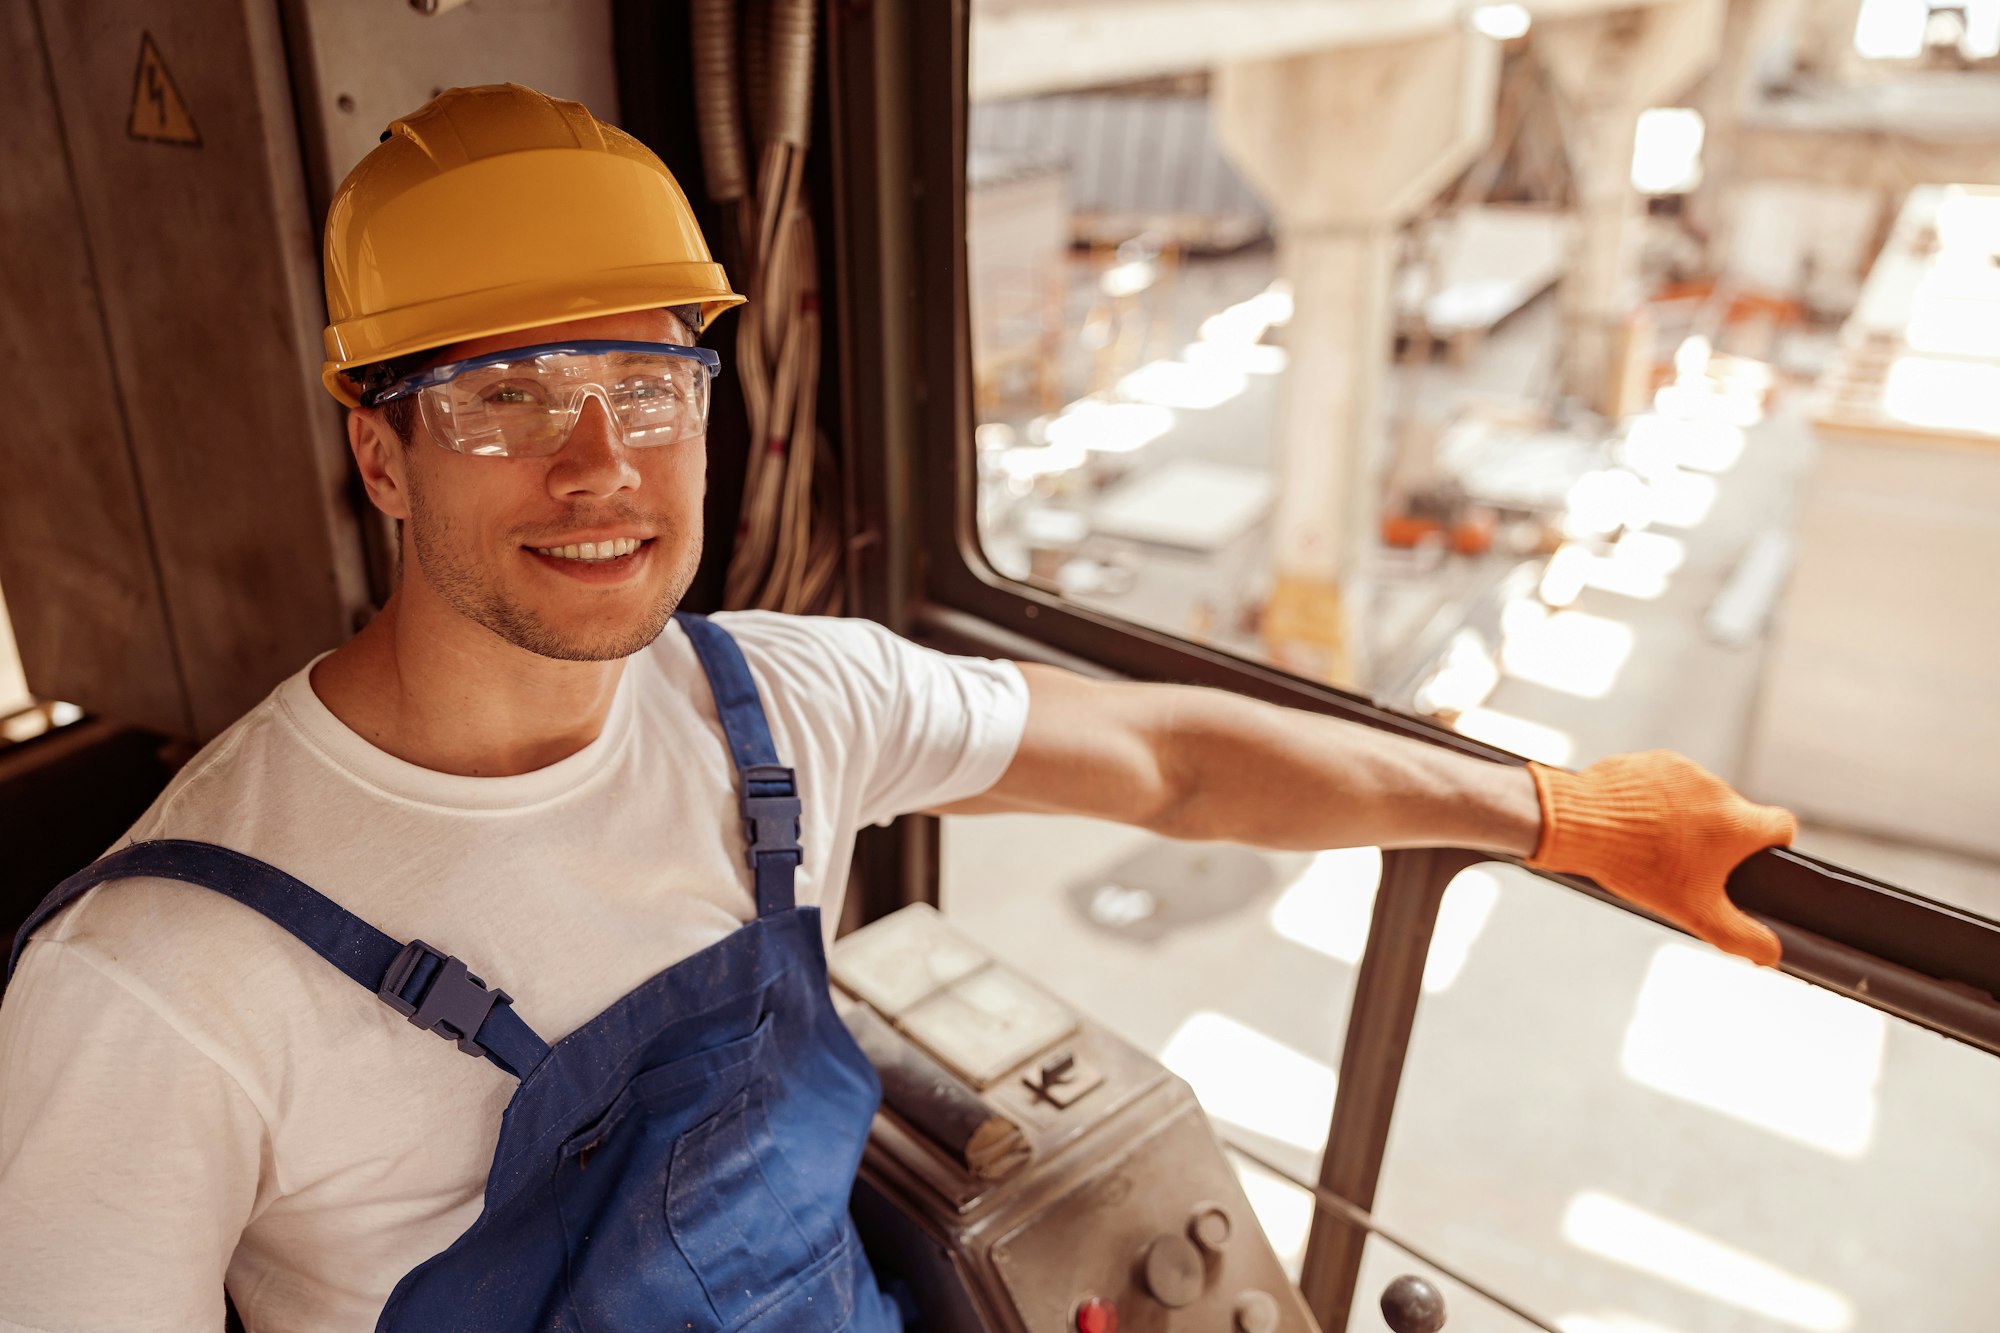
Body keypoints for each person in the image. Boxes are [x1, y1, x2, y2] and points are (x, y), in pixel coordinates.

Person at [0, 84, 1795, 1332]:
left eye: (646, 379)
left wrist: (1553, 812)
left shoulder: (778, 705)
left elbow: (1167, 758)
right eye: (504, 396)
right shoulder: (158, 986)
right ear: (379, 450)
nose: (601, 465)